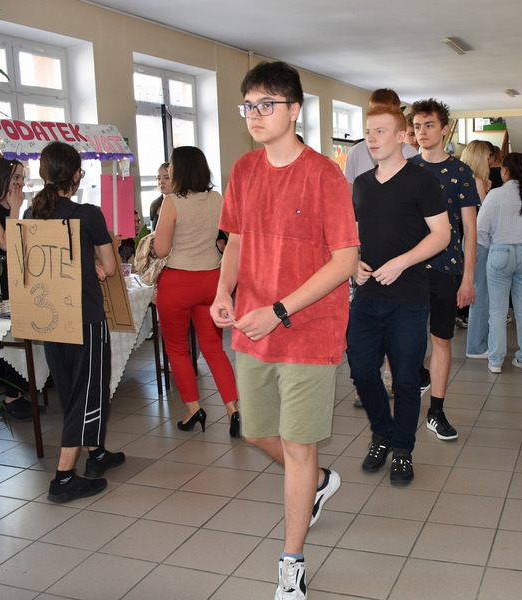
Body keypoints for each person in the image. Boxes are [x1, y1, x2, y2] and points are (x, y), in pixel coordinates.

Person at [210, 61, 359, 600]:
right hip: (253, 327)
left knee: (298, 446)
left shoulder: (324, 175)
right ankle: (318, 481)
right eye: (249, 105)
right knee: (254, 431)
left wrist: (279, 310)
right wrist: (223, 291)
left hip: (309, 331)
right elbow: (237, 240)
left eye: (266, 104)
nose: (255, 114)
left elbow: (345, 260)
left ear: (294, 110)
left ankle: (291, 563)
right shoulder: (244, 170)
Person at [347, 104, 449, 486]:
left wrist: (402, 262)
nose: (371, 139)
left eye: (380, 131)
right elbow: (352, 235)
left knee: (405, 379)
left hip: (408, 299)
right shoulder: (361, 184)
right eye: (368, 132)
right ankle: (382, 433)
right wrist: (353, 262)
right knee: (361, 371)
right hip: (366, 295)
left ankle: (403, 449)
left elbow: (442, 235)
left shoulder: (422, 182)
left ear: (401, 137)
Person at [28, 142, 123, 503]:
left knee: (70, 389)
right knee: (88, 391)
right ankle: (64, 477)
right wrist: (95, 263)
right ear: (77, 175)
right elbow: (110, 268)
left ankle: (96, 455)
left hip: (50, 317)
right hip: (85, 317)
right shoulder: (88, 214)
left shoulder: (32, 212)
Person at [153, 146, 240, 437]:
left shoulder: (171, 202)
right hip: (211, 281)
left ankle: (194, 409)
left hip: (178, 282)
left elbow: (161, 249)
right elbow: (227, 238)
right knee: (214, 349)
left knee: (178, 349)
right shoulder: (216, 198)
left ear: (180, 169)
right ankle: (233, 409)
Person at [410, 99, 480, 442]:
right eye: (417, 126)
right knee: (405, 340)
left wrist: (468, 279)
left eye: (429, 125)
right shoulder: (405, 169)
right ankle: (414, 385)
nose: (422, 132)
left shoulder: (460, 173)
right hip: (408, 269)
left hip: (446, 268)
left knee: (441, 340)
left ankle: (436, 412)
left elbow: (470, 230)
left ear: (444, 129)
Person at [344, 88, 417, 408]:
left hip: (401, 252)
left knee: (397, 322)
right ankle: (368, 382)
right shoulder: (357, 153)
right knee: (366, 321)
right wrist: (351, 253)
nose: (374, 135)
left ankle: (391, 377)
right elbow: (348, 202)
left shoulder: (410, 155)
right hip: (366, 247)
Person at [478, 152, 522, 373]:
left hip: (500, 252)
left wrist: (493, 245)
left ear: (504, 171)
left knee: (497, 310)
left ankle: (496, 360)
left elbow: (481, 229)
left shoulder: (495, 195)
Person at [0, 158, 42, 422]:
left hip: (17, 279)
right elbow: (6, 243)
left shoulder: (15, 209)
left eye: (23, 178)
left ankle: (17, 392)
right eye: (16, 177)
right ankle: (11, 398)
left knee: (21, 333)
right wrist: (15, 208)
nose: (20, 183)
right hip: (1, 283)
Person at [460, 140, 493, 358]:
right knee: (481, 294)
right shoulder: (477, 181)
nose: (490, 160)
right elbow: (485, 217)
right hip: (479, 242)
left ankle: (477, 343)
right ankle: (476, 345)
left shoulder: (463, 178)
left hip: (468, 240)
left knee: (478, 290)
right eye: (488, 156)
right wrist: (487, 192)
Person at [149, 162, 171, 232]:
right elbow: (152, 234)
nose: (161, 182)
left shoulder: (182, 203)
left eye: (167, 178)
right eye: (158, 178)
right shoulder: (154, 205)